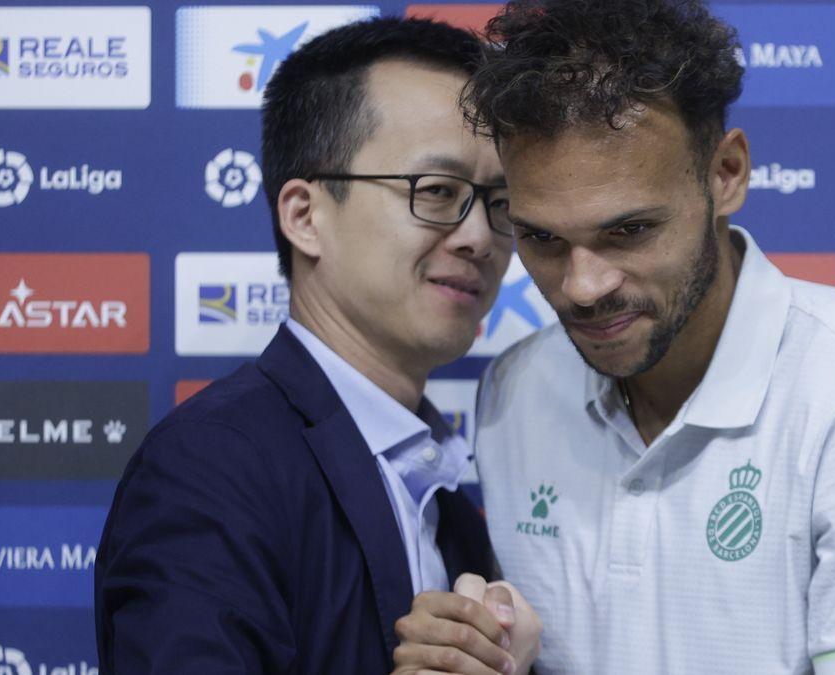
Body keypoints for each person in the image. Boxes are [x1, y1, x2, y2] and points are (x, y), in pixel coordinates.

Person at [393, 0, 835, 673]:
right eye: (543, 238)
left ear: (726, 173)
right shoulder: (516, 390)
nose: (583, 286)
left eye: (629, 230)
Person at [94, 17, 527, 673]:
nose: (479, 237)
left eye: (499, 202)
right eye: (436, 192)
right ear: (304, 216)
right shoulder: (210, 468)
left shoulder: (456, 512)